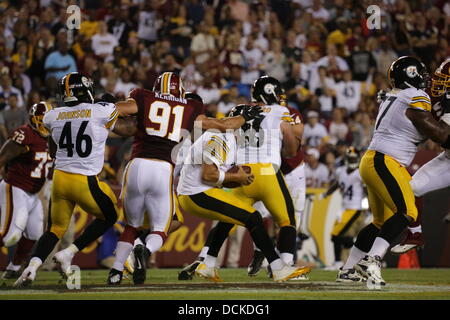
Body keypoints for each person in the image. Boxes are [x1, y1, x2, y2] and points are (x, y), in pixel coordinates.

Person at [107, 72, 263, 285]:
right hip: (165, 174)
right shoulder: (190, 117)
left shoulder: (144, 97)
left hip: (137, 165)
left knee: (133, 225)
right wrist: (245, 116)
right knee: (165, 226)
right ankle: (142, 249)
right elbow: (223, 127)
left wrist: (101, 108)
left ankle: (117, 269)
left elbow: (123, 117)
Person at [14, 72, 135, 286]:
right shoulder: (101, 110)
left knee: (54, 230)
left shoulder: (53, 115)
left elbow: (52, 149)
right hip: (83, 179)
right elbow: (127, 127)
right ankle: (69, 252)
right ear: (84, 90)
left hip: (60, 179)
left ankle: (32, 268)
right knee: (109, 216)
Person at [341, 56, 449, 288]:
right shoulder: (415, 97)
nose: (426, 77)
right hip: (386, 161)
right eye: (420, 72)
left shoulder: (398, 95)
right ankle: (372, 260)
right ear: (412, 74)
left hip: (372, 160)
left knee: (380, 221)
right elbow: (439, 134)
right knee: (407, 211)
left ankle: (348, 269)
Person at [176, 103, 310, 282]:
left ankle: (207, 264)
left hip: (201, 191)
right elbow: (208, 175)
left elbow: (216, 174)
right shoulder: (222, 138)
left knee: (231, 218)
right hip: (196, 193)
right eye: (251, 123)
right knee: (253, 217)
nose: (253, 129)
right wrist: (236, 178)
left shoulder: (230, 140)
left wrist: (235, 179)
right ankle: (278, 268)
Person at [390, 58, 450, 254]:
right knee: (411, 190)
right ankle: (415, 234)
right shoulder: (433, 97)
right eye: (441, 77)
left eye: (446, 79)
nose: (439, 83)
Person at [0, 102, 52, 279]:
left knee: (35, 233)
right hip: (15, 187)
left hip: (33, 192)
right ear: (34, 120)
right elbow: (3, 157)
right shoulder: (26, 134)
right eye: (42, 120)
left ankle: (13, 269)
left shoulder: (54, 139)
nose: (45, 124)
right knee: (10, 236)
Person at [317, 147, 367, 277]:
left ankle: (338, 262)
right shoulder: (341, 171)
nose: (352, 160)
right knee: (343, 238)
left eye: (353, 158)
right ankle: (355, 249)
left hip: (355, 208)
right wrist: (326, 194)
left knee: (335, 234)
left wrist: (370, 208)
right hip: (344, 209)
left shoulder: (360, 173)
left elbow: (367, 190)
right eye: (350, 158)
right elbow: (337, 185)